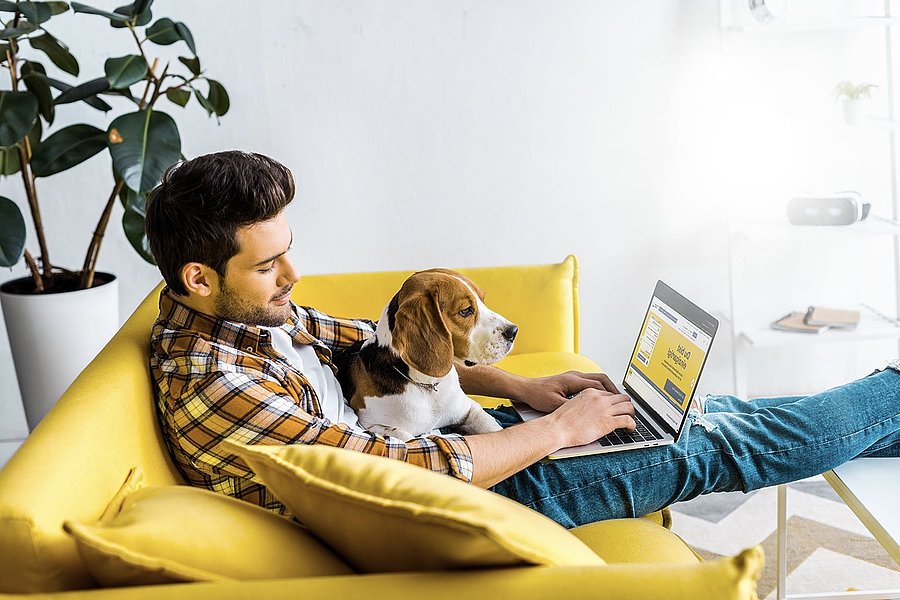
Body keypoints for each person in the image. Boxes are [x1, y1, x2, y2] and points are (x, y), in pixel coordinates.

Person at [146, 151, 900, 526]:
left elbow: (392, 352)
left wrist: (523, 389)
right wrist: (559, 430)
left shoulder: (255, 321)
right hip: (455, 500)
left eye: (287, 252)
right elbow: (387, 471)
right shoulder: (215, 381)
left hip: (460, 451)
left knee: (709, 413)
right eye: (269, 264)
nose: (293, 276)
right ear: (199, 277)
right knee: (714, 449)